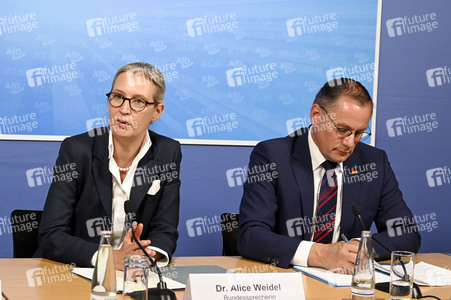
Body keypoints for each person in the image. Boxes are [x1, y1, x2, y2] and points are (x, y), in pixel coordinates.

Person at [236, 78, 421, 271]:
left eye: (359, 133)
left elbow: (406, 233)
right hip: (287, 280)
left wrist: (359, 249)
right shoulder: (272, 155)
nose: (350, 143)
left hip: (343, 282)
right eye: (342, 130)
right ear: (316, 116)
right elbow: (250, 235)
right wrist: (320, 254)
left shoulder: (374, 162)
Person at [35, 62, 181, 270]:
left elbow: (165, 230)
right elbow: (52, 234)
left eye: (138, 101)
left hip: (136, 274)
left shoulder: (168, 152)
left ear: (157, 111)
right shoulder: (76, 150)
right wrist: (109, 259)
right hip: (77, 272)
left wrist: (146, 255)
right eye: (118, 97)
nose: (124, 109)